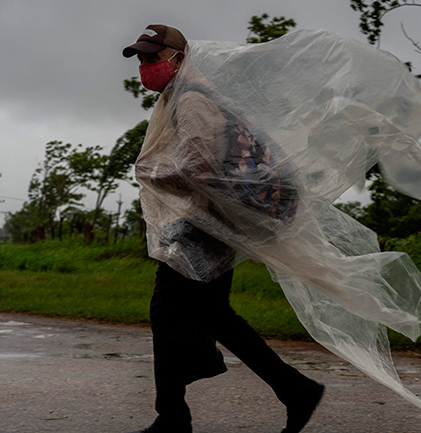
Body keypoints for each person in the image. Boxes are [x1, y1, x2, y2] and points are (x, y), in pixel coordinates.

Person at [122, 24, 325, 433]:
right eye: (141, 58)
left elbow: (200, 169)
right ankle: (292, 389)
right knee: (211, 314)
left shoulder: (192, 100)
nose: (145, 66)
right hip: (214, 221)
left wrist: (153, 174)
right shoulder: (192, 95)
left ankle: (174, 418)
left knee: (169, 311)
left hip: (205, 225)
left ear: (178, 58)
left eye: (152, 57)